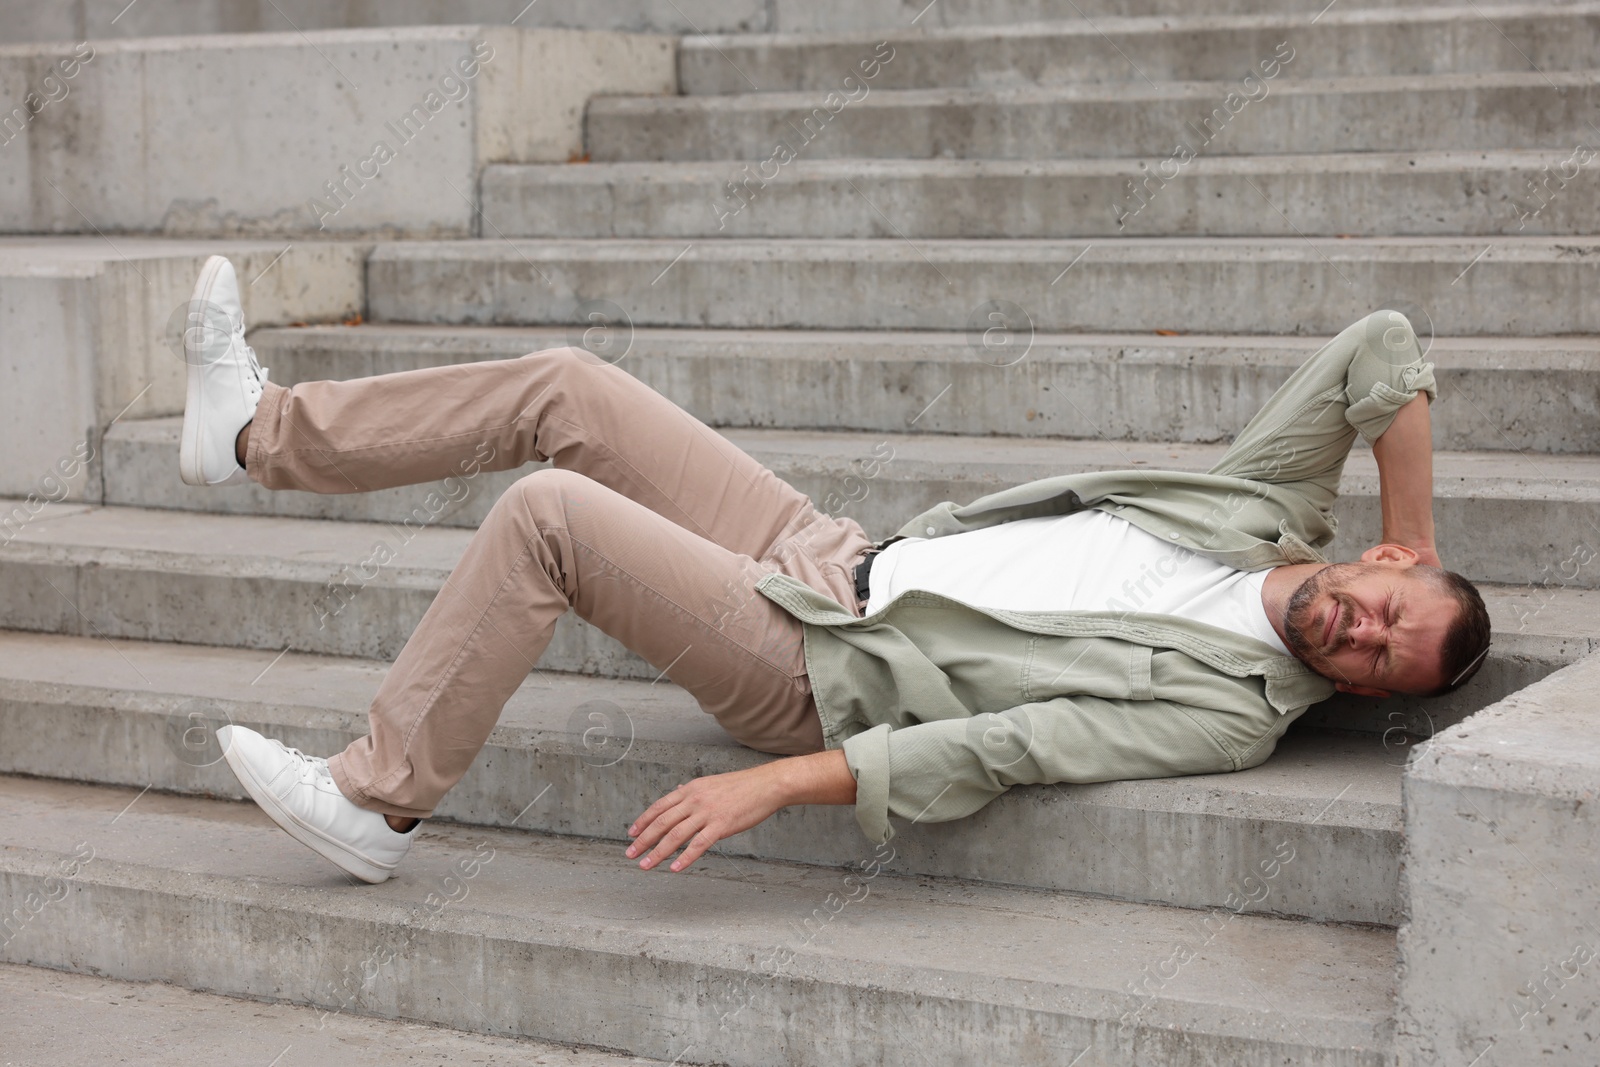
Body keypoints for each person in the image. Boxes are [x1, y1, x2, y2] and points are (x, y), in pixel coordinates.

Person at [181, 256, 1490, 885]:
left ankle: (378, 798)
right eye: (1390, 605)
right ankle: (254, 433)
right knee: (569, 390)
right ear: (1385, 561)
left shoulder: (1230, 710)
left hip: (816, 668)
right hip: (837, 555)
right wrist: (1418, 528)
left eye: (1380, 661)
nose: (1362, 633)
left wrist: (783, 782)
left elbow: (1014, 749)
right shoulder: (1271, 512)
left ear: (1367, 697)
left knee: (550, 516)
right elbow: (1381, 343)